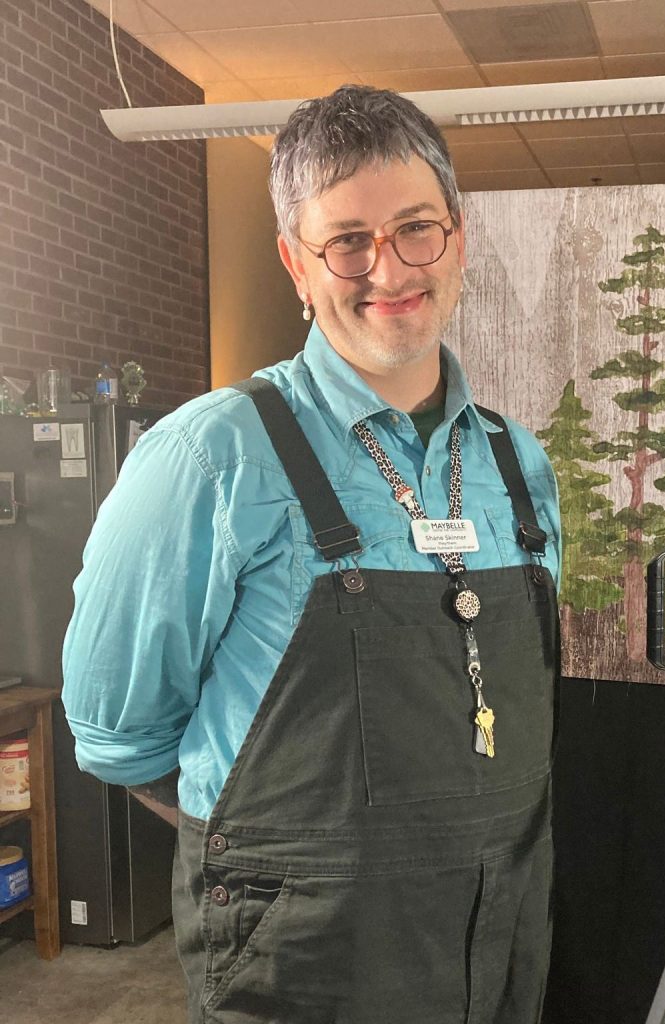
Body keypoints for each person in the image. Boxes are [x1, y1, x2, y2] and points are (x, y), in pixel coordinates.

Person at [62, 84, 561, 1024]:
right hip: (307, 964)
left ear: (457, 236)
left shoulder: (517, 464)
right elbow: (115, 733)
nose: (388, 269)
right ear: (297, 263)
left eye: (415, 227)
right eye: (346, 241)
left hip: (500, 940)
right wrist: (286, 863)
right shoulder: (209, 458)